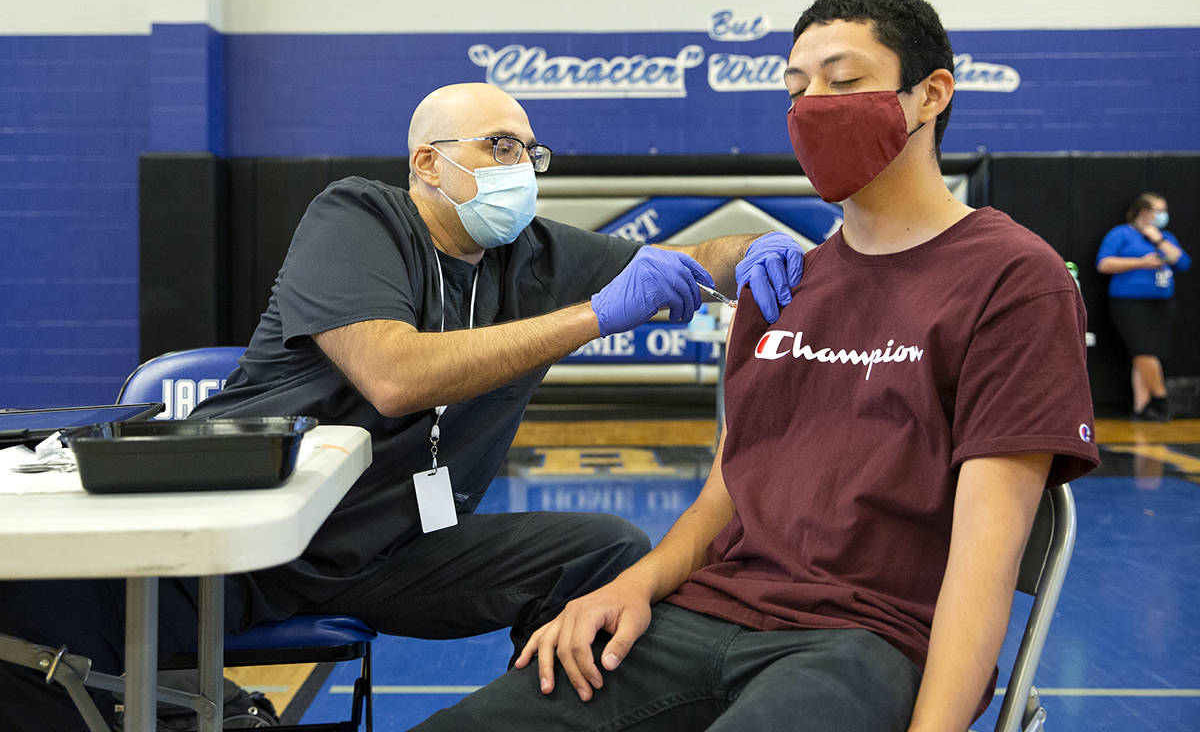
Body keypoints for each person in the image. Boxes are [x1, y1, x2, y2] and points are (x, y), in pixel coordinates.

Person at [0, 82, 805, 731]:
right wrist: (593, 316)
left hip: (394, 550)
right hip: (250, 539)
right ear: (427, 163)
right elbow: (393, 375)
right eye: (499, 146)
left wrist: (751, 252)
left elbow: (697, 258)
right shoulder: (357, 217)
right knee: (37, 620)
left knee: (605, 552)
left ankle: (555, 720)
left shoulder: (538, 255)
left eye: (531, 149)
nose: (521, 163)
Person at [409, 0, 1100, 732]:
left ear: (930, 94)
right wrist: (631, 587)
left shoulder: (1013, 280)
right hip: (700, 619)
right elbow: (723, 497)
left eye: (844, 82)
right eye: (796, 88)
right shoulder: (785, 283)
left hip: (863, 642)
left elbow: (983, 562)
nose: (813, 106)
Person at [1096, 192, 1191, 421]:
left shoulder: (1164, 236)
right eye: (1159, 210)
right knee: (1143, 351)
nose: (1163, 215)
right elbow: (1104, 263)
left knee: (1145, 355)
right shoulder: (1121, 234)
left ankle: (1142, 407)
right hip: (1129, 304)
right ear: (1144, 212)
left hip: (1160, 303)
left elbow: (1183, 262)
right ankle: (1161, 401)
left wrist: (1158, 240)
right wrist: (1141, 262)